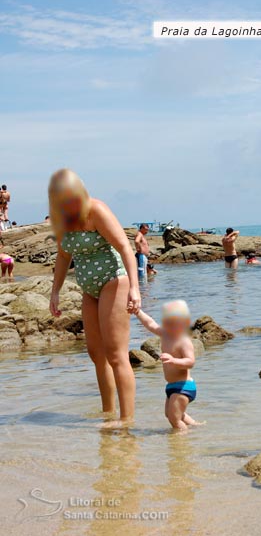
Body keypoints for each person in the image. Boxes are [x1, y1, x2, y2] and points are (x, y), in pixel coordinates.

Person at [48, 168, 141, 427]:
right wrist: (55, 291)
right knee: (95, 353)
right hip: (90, 289)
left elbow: (124, 246)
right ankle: (108, 413)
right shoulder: (61, 220)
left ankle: (126, 420)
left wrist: (135, 288)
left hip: (114, 281)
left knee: (115, 353)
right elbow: (64, 256)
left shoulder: (96, 210)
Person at [134, 300, 200, 431]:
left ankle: (181, 442)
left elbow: (190, 362)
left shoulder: (184, 341)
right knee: (170, 414)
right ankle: (195, 426)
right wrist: (138, 312)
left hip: (183, 387)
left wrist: (173, 360)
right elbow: (150, 324)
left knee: (174, 419)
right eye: (167, 322)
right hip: (171, 386)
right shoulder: (165, 335)